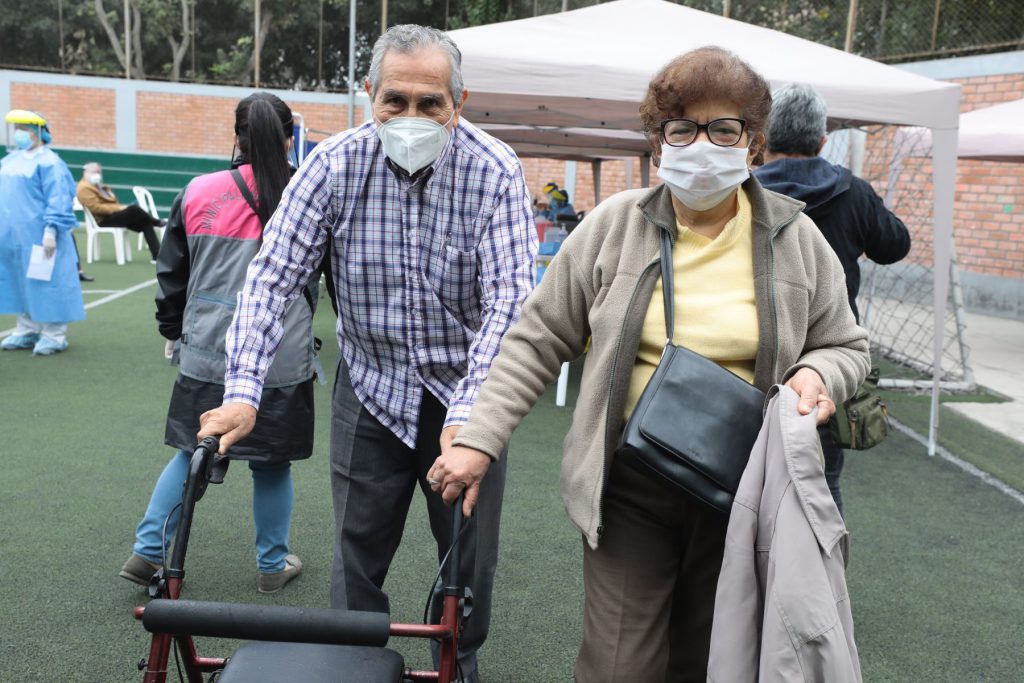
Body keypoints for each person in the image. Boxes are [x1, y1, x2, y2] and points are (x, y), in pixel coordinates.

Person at [426, 47, 870, 681]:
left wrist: (817, 374)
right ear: (659, 144)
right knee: (619, 665)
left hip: (743, 489)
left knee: (711, 658)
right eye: (682, 127)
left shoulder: (796, 239)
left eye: (725, 128)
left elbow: (846, 344)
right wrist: (481, 438)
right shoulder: (614, 225)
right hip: (629, 483)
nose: (702, 143)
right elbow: (538, 337)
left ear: (754, 144)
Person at [195, 25, 536, 681]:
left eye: (430, 103)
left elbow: (511, 302)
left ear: (458, 103)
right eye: (396, 100)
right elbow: (271, 280)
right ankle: (349, 663)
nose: (412, 117)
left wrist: (472, 412)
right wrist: (243, 390)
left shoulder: (495, 171)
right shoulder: (332, 166)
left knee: (470, 555)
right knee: (356, 549)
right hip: (371, 386)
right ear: (369, 96)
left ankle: (456, 657)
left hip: (467, 390)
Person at [119, 92, 317, 594]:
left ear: (237, 135)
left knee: (191, 452)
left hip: (207, 351)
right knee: (272, 465)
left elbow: (172, 275)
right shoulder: (308, 192)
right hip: (282, 358)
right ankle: (273, 565)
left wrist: (172, 331)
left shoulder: (198, 190)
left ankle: (146, 552)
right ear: (289, 136)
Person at [754, 83, 911, 515]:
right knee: (822, 479)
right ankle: (820, 576)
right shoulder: (853, 190)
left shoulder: (740, 191)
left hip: (751, 351)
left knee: (742, 474)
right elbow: (895, 244)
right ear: (822, 141)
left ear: (762, 138)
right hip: (830, 355)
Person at [0, 109, 84, 356]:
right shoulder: (9, 161)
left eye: (25, 129)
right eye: (17, 129)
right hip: (12, 236)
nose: (20, 135)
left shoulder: (51, 163)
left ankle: (53, 334)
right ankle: (27, 328)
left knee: (46, 281)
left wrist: (51, 231)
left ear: (39, 132)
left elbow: (58, 198)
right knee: (18, 280)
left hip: (40, 235)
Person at [76, 162, 164, 262]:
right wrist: (119, 208)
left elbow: (112, 199)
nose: (97, 175)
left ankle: (157, 256)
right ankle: (155, 221)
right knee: (133, 209)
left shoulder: (98, 186)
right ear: (86, 172)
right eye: (94, 172)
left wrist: (107, 193)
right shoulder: (84, 188)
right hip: (103, 220)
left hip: (112, 216)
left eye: (99, 172)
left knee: (145, 223)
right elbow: (96, 208)